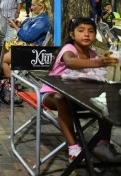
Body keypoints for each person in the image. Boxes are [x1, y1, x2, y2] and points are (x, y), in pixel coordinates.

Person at [40, 17, 121, 163]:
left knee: (108, 97)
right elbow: (70, 62)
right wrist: (98, 62)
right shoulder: (69, 49)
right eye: (81, 30)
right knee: (61, 98)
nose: (86, 34)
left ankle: (103, 142)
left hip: (79, 95)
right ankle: (73, 147)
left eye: (91, 31)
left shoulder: (94, 53)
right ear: (72, 34)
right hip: (51, 94)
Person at [2, 0, 52, 78]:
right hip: (24, 48)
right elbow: (27, 32)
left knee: (2, 60)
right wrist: (18, 26)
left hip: (30, 52)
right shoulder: (37, 18)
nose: (31, 8)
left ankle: (11, 83)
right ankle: (9, 81)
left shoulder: (42, 21)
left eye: (33, 5)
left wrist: (15, 27)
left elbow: (28, 37)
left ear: (41, 6)